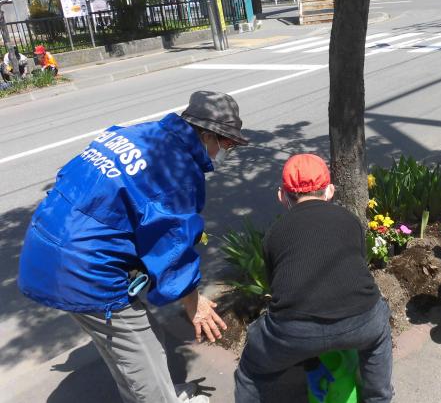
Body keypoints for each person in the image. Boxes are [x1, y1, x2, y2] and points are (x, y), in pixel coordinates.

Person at [18, 90, 249, 403]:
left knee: (131, 343)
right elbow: (171, 248)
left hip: (48, 243)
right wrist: (193, 303)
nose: (228, 150)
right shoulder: (178, 172)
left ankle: (158, 395)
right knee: (142, 355)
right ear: (207, 136)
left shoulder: (138, 133)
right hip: (84, 270)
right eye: (227, 143)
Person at [234, 154, 393, 403]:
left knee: (249, 371)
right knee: (379, 334)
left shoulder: (275, 233)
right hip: (362, 321)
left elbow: (280, 291)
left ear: (281, 196)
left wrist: (309, 357)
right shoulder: (350, 220)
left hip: (294, 331)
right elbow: (358, 268)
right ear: (329, 191)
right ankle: (379, 398)